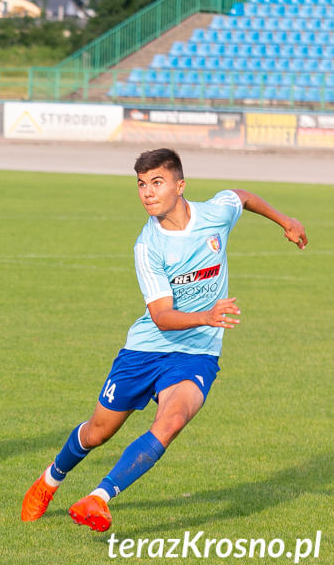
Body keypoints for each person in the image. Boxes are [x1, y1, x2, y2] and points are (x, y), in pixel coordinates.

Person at [21, 148, 307, 531]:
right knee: (97, 432)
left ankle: (99, 498)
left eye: (157, 182)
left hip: (197, 353)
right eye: (141, 184)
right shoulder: (148, 246)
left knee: (171, 421)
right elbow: (162, 317)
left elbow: (242, 196)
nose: (147, 193)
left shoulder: (214, 213)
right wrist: (206, 316)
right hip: (146, 349)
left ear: (180, 185)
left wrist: (285, 220)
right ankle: (50, 479)